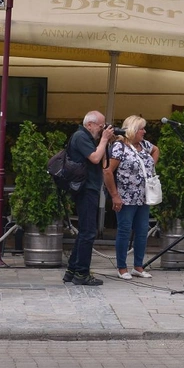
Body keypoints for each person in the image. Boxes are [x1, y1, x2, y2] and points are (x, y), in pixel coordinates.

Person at [104, 114, 160, 280]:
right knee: (124, 230)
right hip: (125, 197)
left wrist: (148, 169)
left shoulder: (144, 145)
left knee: (142, 231)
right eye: (141, 128)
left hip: (144, 197)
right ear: (133, 130)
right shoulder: (119, 147)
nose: (144, 131)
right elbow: (107, 171)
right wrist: (115, 196)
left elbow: (156, 150)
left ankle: (138, 266)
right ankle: (122, 267)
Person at [65, 110, 114, 286]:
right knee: (88, 232)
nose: (102, 129)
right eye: (100, 126)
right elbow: (94, 158)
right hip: (86, 189)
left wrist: (105, 141)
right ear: (89, 124)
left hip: (89, 187)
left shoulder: (87, 137)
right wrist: (104, 139)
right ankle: (82, 274)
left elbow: (101, 159)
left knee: (85, 231)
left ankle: (72, 270)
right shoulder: (80, 136)